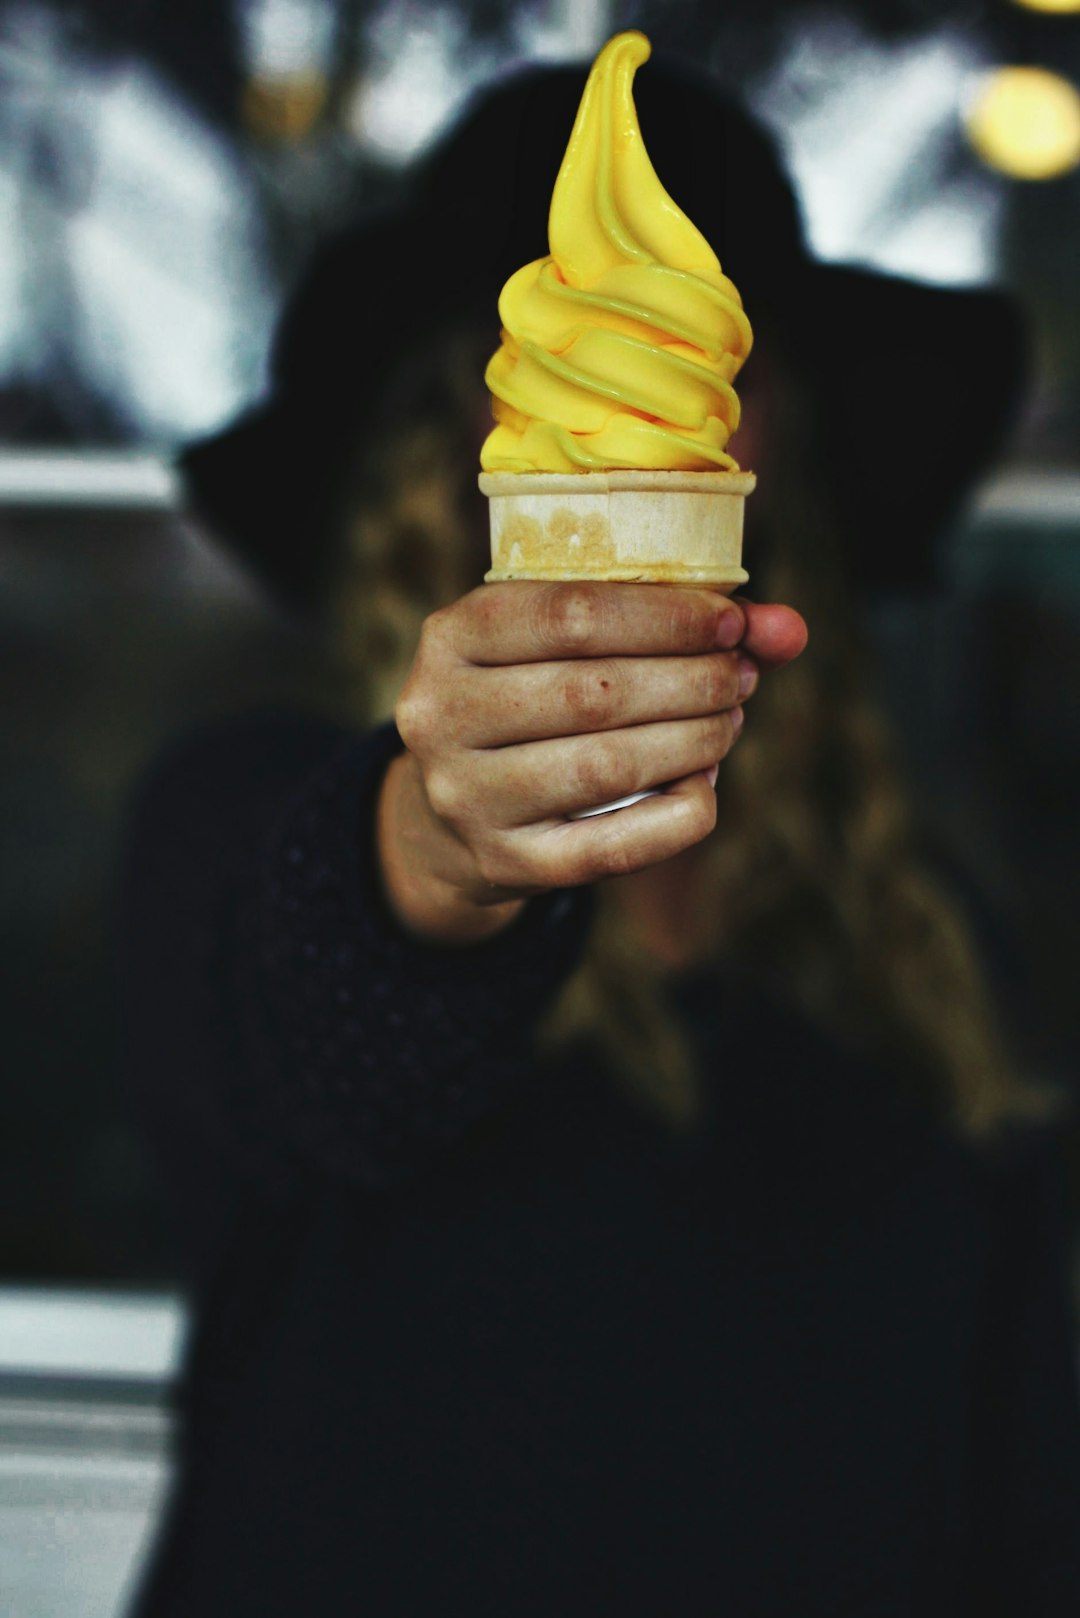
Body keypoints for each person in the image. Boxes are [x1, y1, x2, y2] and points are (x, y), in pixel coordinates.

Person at [121, 51, 1080, 1618]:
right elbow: (316, 1017)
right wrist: (443, 839)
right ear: (457, 431)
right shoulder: (237, 820)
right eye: (557, 358)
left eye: (718, 355)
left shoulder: (926, 940)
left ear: (775, 438)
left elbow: (1020, 1482)